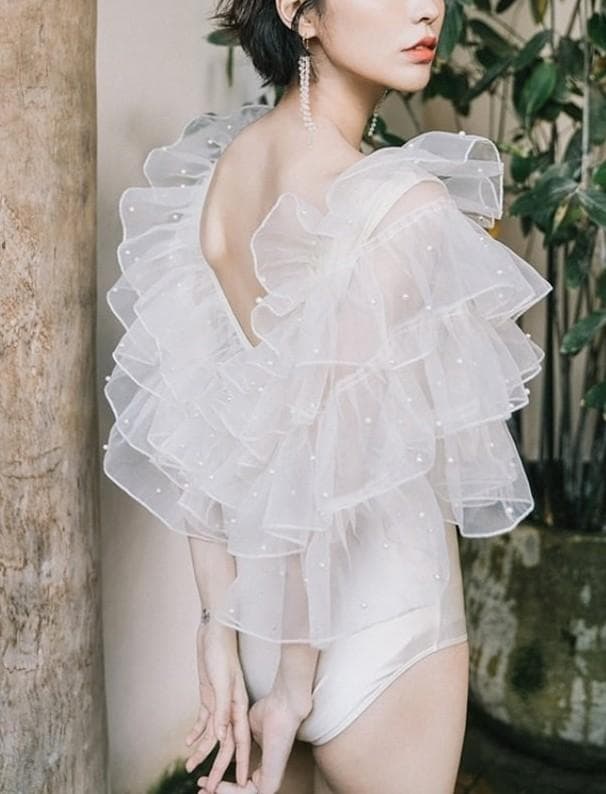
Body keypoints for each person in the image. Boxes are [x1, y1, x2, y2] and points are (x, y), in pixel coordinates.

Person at [101, 1, 553, 792]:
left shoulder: (219, 177)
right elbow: (320, 461)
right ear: (299, 13)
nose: (426, 9)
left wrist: (219, 629)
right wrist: (296, 688)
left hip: (260, 619)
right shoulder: (401, 208)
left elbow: (195, 430)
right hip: (382, 629)